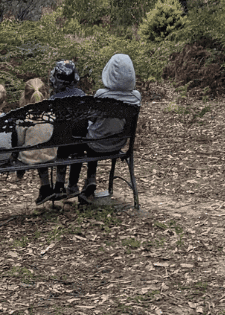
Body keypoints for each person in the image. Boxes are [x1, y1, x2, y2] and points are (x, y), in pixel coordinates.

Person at [79, 53, 141, 203]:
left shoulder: (102, 94)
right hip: (118, 144)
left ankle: (91, 178)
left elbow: (92, 118)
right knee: (97, 134)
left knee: (92, 134)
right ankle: (92, 181)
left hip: (95, 145)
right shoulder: (136, 97)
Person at [29, 59, 85, 204]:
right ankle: (67, 186)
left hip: (59, 147)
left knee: (59, 145)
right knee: (73, 146)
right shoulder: (82, 96)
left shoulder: (53, 100)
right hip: (81, 144)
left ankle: (50, 186)